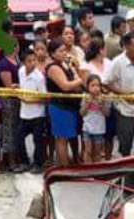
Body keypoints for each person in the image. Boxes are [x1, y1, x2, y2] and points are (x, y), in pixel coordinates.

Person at [105, 31, 134, 155]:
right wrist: (123, 94)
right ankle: (127, 173)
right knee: (125, 147)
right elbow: (106, 83)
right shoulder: (117, 62)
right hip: (125, 113)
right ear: (126, 46)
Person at [46, 38, 85, 166]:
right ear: (52, 53)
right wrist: (80, 80)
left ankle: (67, 164)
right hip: (60, 107)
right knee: (61, 138)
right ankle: (64, 166)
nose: (64, 53)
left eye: (64, 50)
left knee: (67, 136)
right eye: (60, 51)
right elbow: (65, 86)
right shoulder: (53, 68)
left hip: (70, 106)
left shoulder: (65, 64)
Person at [17, 46, 49, 173]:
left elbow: (45, 98)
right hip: (24, 114)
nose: (32, 63)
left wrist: (29, 100)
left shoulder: (39, 77)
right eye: (29, 61)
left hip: (37, 115)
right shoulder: (20, 71)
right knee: (19, 137)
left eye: (34, 60)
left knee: (38, 140)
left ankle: (38, 164)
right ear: (24, 62)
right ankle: (24, 162)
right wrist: (17, 87)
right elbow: (23, 86)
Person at [0, 44, 24, 172]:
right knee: (9, 131)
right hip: (9, 102)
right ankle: (10, 160)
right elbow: (9, 86)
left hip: (19, 101)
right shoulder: (4, 64)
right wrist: (21, 85)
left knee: (17, 130)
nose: (15, 47)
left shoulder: (18, 60)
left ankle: (17, 157)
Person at [81, 75, 111, 162]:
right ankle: (87, 171)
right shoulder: (85, 97)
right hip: (87, 128)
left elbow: (107, 114)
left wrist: (101, 105)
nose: (96, 88)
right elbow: (81, 113)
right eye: (93, 85)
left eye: (98, 85)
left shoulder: (104, 98)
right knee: (88, 150)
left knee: (97, 152)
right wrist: (87, 104)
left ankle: (96, 171)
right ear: (88, 87)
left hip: (99, 129)